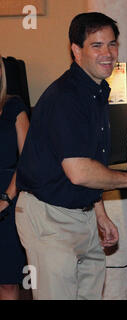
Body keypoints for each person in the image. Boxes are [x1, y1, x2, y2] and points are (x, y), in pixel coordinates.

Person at [15, 12, 127, 300]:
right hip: (49, 218)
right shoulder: (66, 97)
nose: (108, 54)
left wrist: (99, 213)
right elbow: (79, 171)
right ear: (76, 51)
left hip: (83, 214)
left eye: (112, 44)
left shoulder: (96, 91)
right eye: (97, 45)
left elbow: (92, 163)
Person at [0, 56, 30, 300]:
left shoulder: (14, 107)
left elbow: (28, 159)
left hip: (8, 203)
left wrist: (6, 198)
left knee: (8, 283)